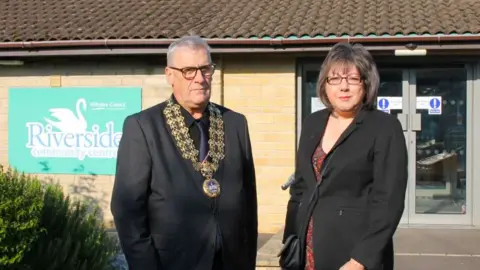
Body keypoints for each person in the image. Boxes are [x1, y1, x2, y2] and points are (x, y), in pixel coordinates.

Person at [111, 35, 258, 270]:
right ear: (170, 74)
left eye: (206, 69)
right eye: (189, 70)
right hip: (171, 262)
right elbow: (127, 210)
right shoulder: (143, 127)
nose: (200, 79)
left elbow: (248, 202)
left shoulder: (236, 123)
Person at [282, 42, 408, 270]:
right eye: (335, 79)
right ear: (325, 84)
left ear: (366, 83)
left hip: (353, 253)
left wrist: (361, 260)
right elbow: (300, 187)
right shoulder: (312, 123)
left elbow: (388, 202)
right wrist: (290, 239)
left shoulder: (384, 127)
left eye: (353, 79)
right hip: (307, 248)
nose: (344, 87)